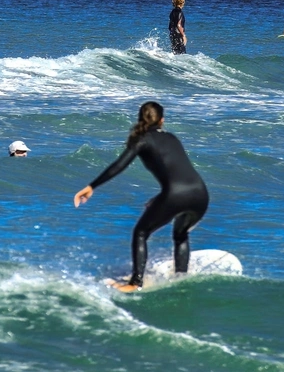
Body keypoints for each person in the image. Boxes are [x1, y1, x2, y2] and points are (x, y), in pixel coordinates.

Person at [74, 101, 208, 292]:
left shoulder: (141, 140)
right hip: (201, 195)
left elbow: (119, 165)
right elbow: (178, 173)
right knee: (181, 234)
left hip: (175, 195)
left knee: (141, 233)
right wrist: (161, 198)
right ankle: (181, 277)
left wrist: (92, 186)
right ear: (162, 120)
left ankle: (135, 283)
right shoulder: (172, 138)